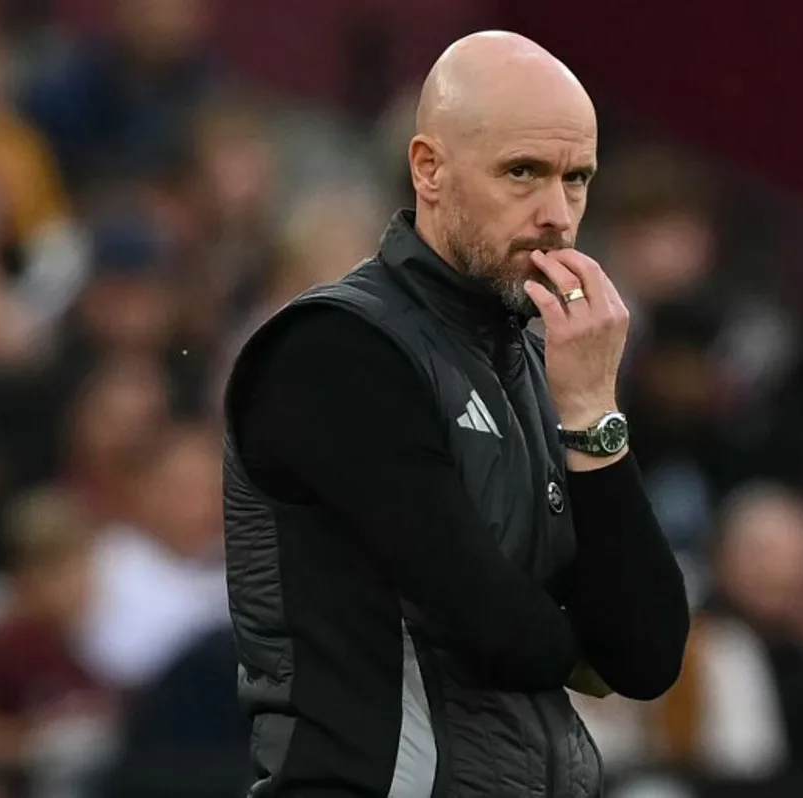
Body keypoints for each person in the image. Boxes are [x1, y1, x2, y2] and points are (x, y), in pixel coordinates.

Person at [222, 30, 690, 798]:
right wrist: (581, 641)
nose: (556, 213)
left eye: (577, 179)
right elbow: (503, 634)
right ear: (428, 169)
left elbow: (645, 657)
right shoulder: (335, 352)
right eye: (523, 173)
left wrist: (593, 410)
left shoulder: (550, 368)